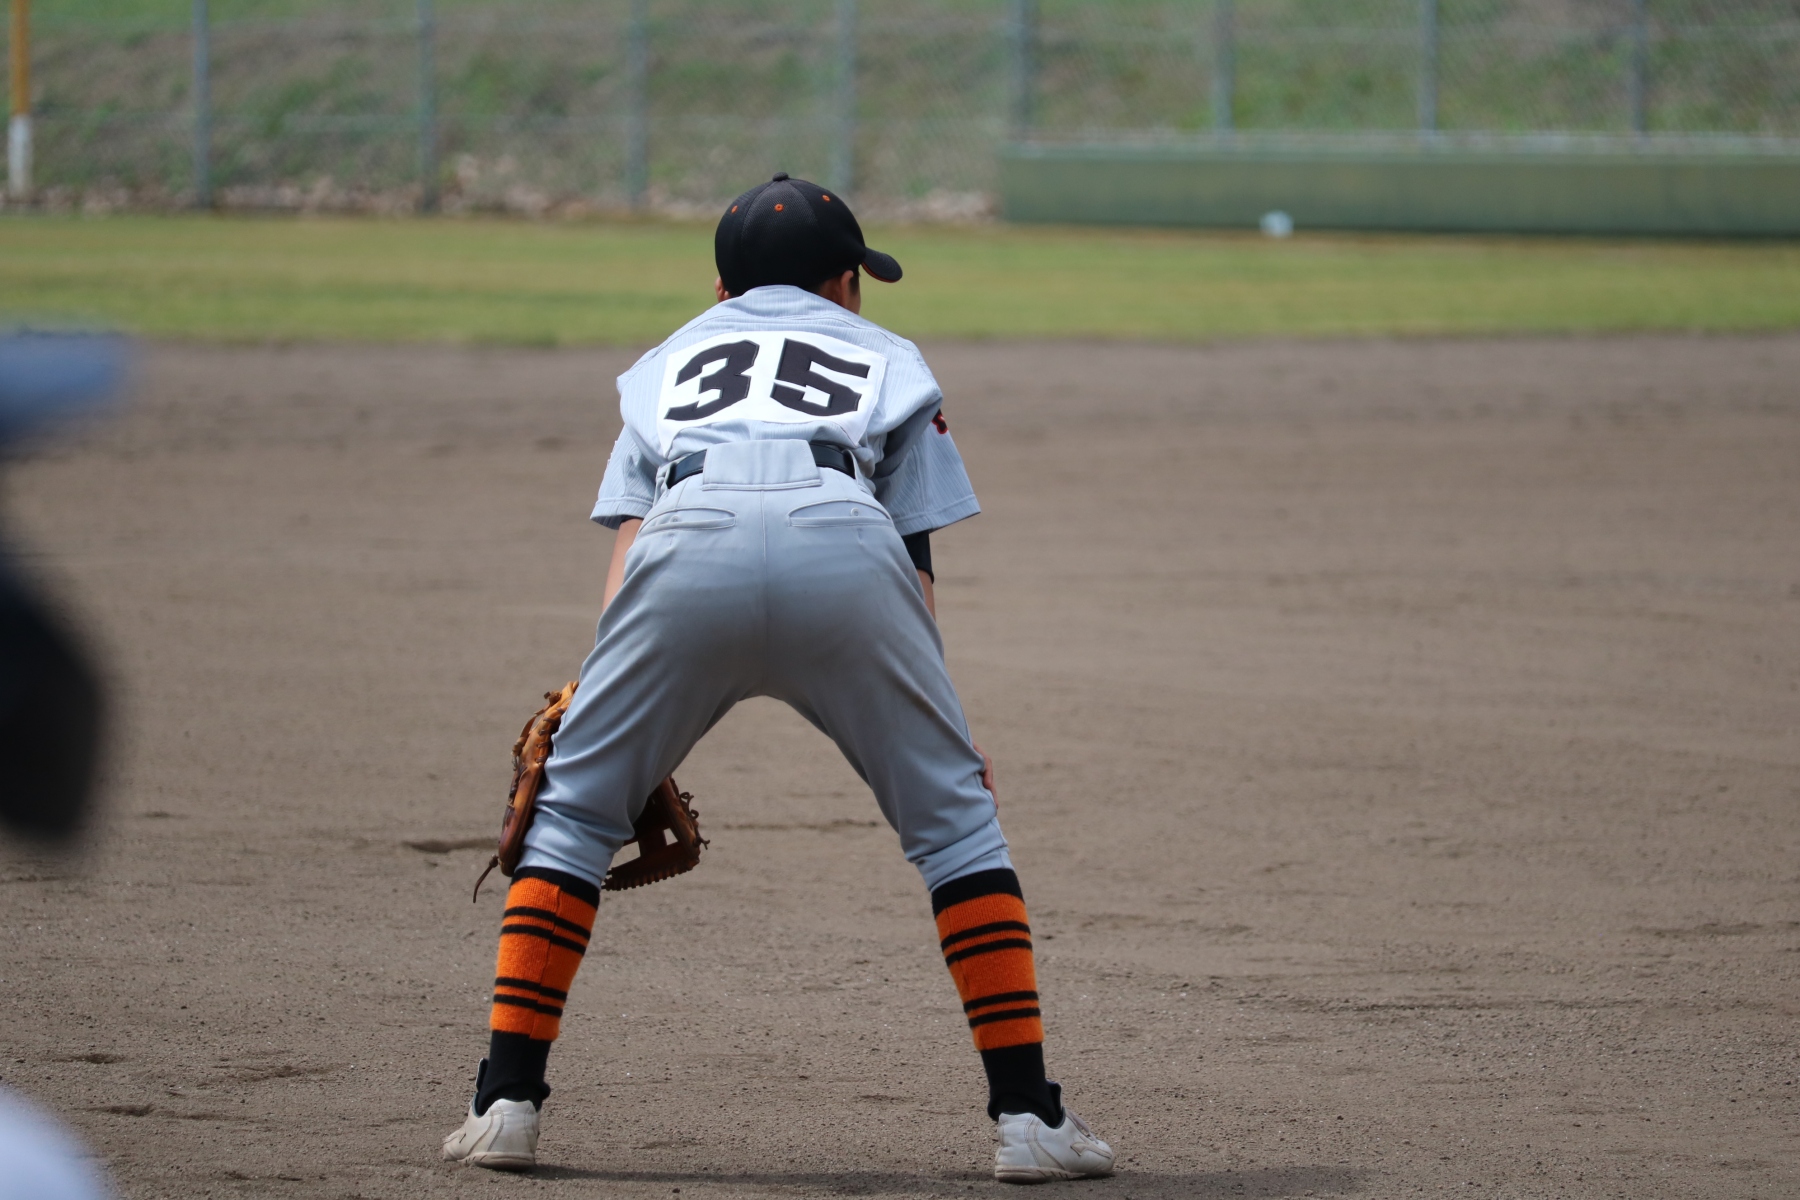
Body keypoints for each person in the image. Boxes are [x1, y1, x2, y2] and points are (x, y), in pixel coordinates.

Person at [441, 174, 1114, 1184]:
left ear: (721, 290)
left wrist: (604, 692)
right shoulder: (889, 355)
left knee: (571, 818)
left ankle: (504, 1105)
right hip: (842, 535)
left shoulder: (664, 362)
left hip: (686, 541)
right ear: (846, 284)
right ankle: (1029, 1120)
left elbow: (632, 538)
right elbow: (914, 554)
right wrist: (946, 732)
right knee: (957, 830)